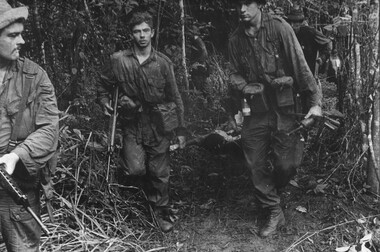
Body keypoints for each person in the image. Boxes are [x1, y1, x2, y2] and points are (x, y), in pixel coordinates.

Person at [227, 0, 322, 237]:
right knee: (253, 161)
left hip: (285, 108)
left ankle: (272, 190)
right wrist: (244, 87)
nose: (242, 9)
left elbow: (301, 66)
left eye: (247, 3)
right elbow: (233, 73)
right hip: (256, 110)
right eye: (238, 4)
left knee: (286, 166)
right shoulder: (235, 39)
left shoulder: (280, 28)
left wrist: (315, 104)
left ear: (259, 4)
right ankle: (272, 209)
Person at [97, 11, 186, 233]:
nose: (142, 36)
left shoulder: (163, 63)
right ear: (131, 34)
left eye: (146, 30)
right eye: (137, 31)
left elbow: (175, 96)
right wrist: (104, 100)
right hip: (132, 124)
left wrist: (181, 129)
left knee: (159, 172)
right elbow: (103, 84)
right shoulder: (118, 61)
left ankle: (160, 210)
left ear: (153, 32)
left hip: (158, 125)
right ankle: (138, 198)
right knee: (134, 169)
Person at [0, 0, 59, 250]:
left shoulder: (35, 77)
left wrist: (16, 156)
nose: (21, 41)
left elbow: (49, 130)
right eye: (13, 35)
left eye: (21, 34)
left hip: (14, 188)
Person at [285, 7, 333, 76]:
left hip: (308, 73)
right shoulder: (287, 33)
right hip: (292, 73)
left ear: (300, 23)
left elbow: (327, 43)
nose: (292, 25)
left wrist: (322, 58)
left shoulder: (310, 32)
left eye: (295, 22)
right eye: (290, 22)